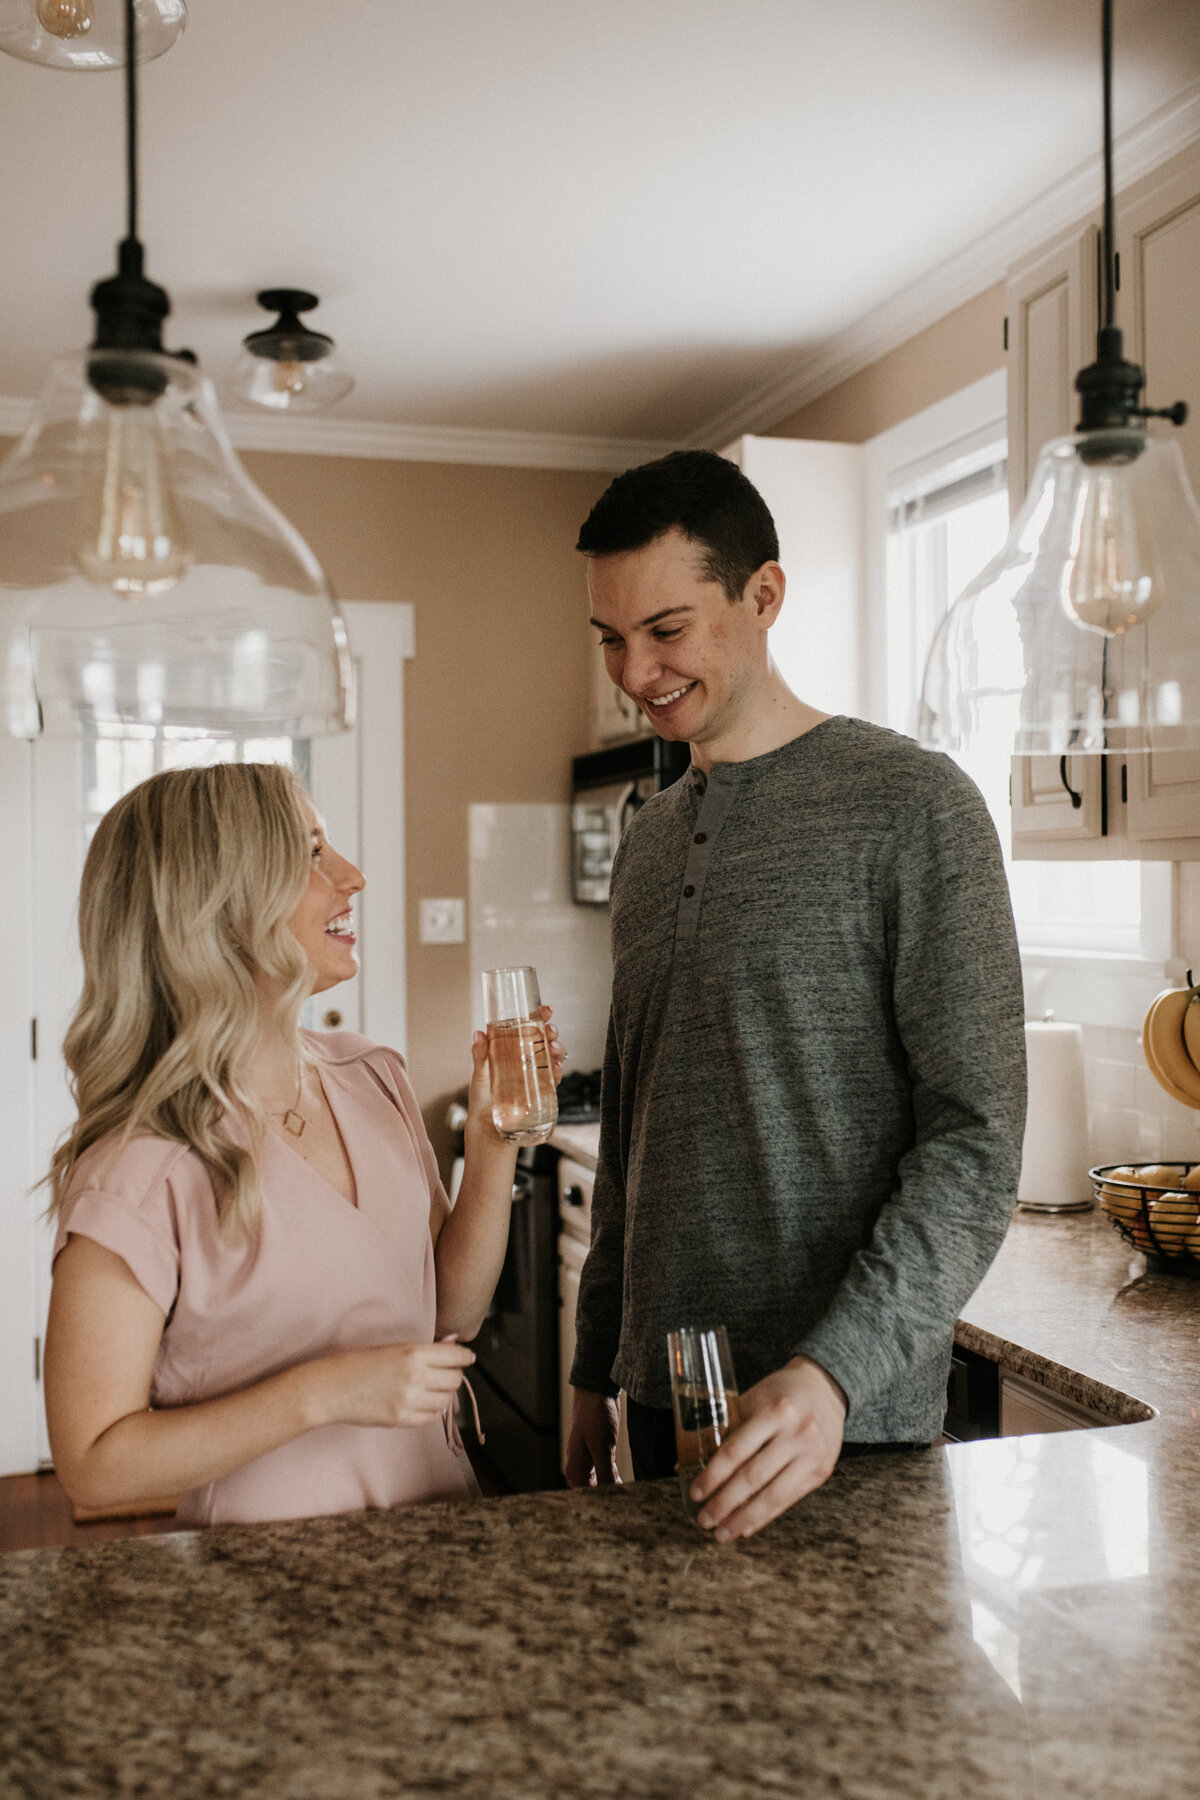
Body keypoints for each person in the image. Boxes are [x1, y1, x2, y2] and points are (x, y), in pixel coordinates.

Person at [565, 449, 1026, 1541]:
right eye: (612, 639)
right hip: (657, 1408)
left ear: (763, 596)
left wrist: (833, 1375)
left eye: (667, 630)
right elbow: (635, 1130)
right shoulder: (651, 838)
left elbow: (975, 1144)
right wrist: (593, 1363)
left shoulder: (914, 807)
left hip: (840, 1430)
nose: (635, 672)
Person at [44, 762, 562, 1527]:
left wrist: (489, 1143)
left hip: (439, 1537)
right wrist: (323, 1393)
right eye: (309, 853)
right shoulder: (138, 1169)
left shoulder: (372, 1077)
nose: (351, 877)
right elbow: (93, 1466)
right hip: (266, 1584)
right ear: (214, 907)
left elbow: (451, 1311)